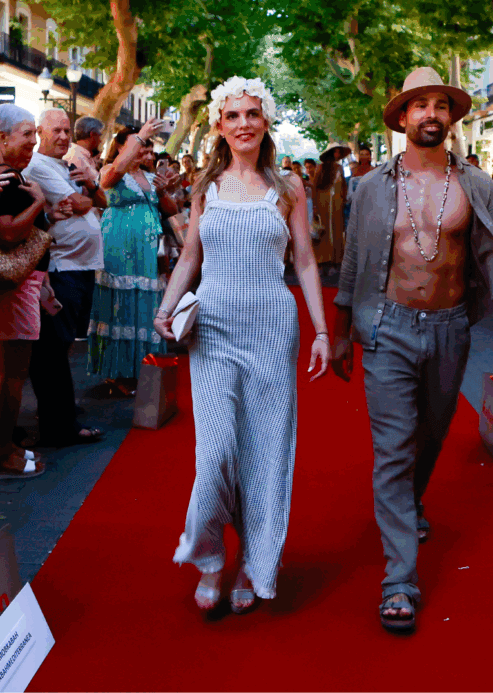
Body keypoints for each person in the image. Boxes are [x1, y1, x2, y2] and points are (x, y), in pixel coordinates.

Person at [331, 66, 493, 633]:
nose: (431, 114)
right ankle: (400, 580)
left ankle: (411, 502)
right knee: (393, 447)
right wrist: (340, 332)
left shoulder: (476, 185)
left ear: (451, 117)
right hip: (387, 328)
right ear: (402, 117)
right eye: (420, 105)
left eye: (440, 105)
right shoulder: (371, 187)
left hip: (449, 329)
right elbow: (352, 263)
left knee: (431, 435)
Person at [155, 76, 329, 613]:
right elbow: (190, 256)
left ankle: (256, 562)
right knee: (215, 454)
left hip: (273, 329)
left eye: (252, 113)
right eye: (233, 115)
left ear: (266, 121)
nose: (243, 123)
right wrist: (165, 309)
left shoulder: (289, 187)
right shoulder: (205, 186)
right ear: (219, 126)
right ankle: (210, 558)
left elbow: (304, 261)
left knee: (265, 452)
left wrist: (323, 331)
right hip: (212, 329)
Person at [0, 104, 53, 479]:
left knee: (2, 367)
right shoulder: (3, 175)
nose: (34, 141)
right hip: (13, 285)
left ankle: (0, 446)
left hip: (13, 283)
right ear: (2, 136)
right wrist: (39, 203)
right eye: (27, 134)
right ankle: (0, 454)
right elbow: (5, 231)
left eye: (35, 133)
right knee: (11, 371)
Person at [21, 108, 105, 446]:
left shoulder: (64, 166)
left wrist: (91, 187)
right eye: (55, 130)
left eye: (67, 130)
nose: (63, 136)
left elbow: (100, 199)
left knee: (62, 345)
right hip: (60, 268)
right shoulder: (39, 166)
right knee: (53, 349)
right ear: (40, 132)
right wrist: (86, 196)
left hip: (78, 267)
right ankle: (59, 424)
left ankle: (60, 412)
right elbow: (80, 204)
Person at [87, 121, 177, 395]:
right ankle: (119, 372)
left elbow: (171, 210)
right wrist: (140, 136)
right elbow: (108, 181)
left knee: (146, 305)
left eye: (147, 148)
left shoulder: (149, 177)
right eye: (139, 146)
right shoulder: (109, 170)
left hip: (149, 247)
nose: (144, 152)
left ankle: (143, 370)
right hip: (120, 244)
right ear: (121, 147)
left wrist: (163, 191)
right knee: (120, 304)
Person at [312, 142, 348, 271]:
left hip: (337, 202)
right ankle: (323, 258)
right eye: (336, 151)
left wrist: (343, 198)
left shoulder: (340, 168)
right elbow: (315, 186)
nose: (338, 154)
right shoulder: (321, 167)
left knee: (337, 228)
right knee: (324, 228)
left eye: (339, 151)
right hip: (323, 202)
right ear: (331, 153)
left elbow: (343, 184)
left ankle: (337, 258)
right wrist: (315, 206)